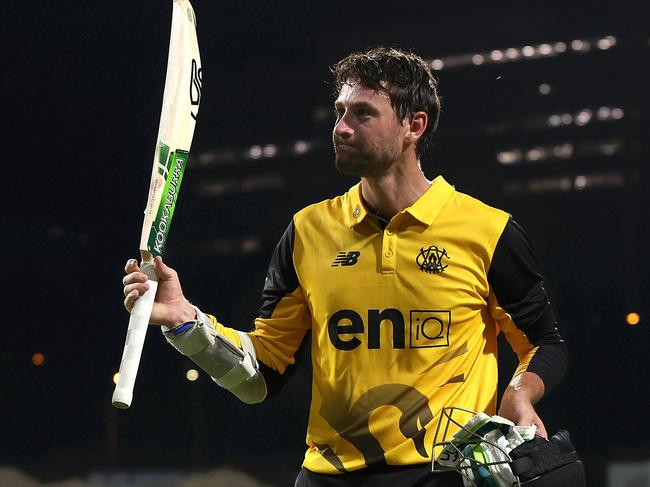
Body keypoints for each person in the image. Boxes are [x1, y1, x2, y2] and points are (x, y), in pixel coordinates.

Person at [122, 47, 567, 487]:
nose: (341, 128)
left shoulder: (488, 230)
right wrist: (187, 323)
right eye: (339, 112)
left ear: (415, 126)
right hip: (328, 477)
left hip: (445, 474)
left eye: (362, 114)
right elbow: (261, 377)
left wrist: (519, 394)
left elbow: (544, 342)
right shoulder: (306, 232)